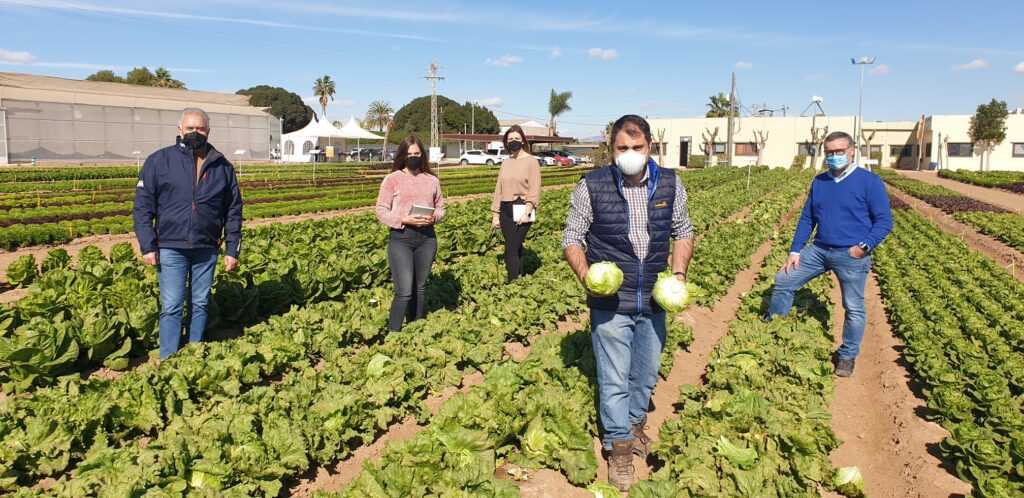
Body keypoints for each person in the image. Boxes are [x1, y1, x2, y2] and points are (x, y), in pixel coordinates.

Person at [563, 115, 695, 491]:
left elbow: (683, 231)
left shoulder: (670, 183)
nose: (630, 155)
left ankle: (634, 424)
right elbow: (572, 237)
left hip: (653, 298)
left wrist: (679, 276)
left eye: (637, 148)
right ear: (612, 150)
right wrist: (588, 275)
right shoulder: (592, 185)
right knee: (614, 376)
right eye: (623, 148)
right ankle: (618, 446)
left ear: (650, 147)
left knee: (646, 372)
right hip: (611, 302)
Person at [765, 130, 893, 377]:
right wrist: (795, 250)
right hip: (820, 249)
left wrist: (863, 246)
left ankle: (847, 356)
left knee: (853, 306)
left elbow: (884, 221)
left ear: (851, 151)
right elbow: (807, 218)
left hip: (851, 254)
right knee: (783, 280)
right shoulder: (820, 182)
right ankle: (774, 330)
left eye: (839, 152)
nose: (834, 156)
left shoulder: (869, 182)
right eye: (830, 152)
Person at [133, 107, 243, 360]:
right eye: (190, 128)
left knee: (201, 302)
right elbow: (142, 207)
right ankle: (169, 357)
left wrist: (232, 248)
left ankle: (194, 353)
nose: (195, 132)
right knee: (172, 305)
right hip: (171, 246)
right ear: (180, 130)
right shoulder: (159, 161)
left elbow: (233, 209)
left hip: (206, 246)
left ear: (208, 131)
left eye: (200, 128)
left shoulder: (222, 165)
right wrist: (148, 245)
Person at [375, 135, 446, 331]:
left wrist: (434, 217)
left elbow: (441, 207)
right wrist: (403, 219)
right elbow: (381, 210)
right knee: (404, 291)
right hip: (401, 238)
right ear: (402, 156)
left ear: (422, 155)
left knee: (420, 288)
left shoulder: (432, 180)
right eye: (409, 154)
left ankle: (416, 329)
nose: (413, 157)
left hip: (427, 239)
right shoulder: (392, 179)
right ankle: (393, 334)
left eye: (417, 153)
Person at [491, 125, 542, 282]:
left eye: (517, 139)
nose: (513, 141)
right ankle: (518, 278)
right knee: (515, 246)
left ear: (523, 141)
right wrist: (495, 215)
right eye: (510, 139)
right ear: (506, 142)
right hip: (506, 208)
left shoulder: (531, 162)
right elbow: (499, 188)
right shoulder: (506, 163)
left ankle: (512, 283)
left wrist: (527, 212)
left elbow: (534, 188)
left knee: (511, 248)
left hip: (522, 206)